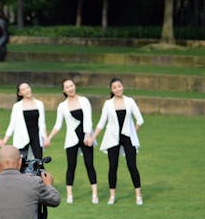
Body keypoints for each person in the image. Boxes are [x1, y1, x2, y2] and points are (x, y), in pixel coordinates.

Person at [86, 77, 144, 205]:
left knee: (132, 166)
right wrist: (92, 138)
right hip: (112, 138)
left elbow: (140, 120)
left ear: (122, 86)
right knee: (113, 167)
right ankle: (112, 196)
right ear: (111, 90)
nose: (118, 89)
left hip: (128, 138)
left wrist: (132, 132)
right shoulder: (108, 104)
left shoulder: (130, 101)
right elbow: (101, 123)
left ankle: (138, 196)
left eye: (119, 86)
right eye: (115, 87)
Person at [46, 78, 98, 204]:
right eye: (67, 87)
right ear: (64, 90)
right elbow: (58, 125)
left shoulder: (84, 101)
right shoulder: (62, 106)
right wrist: (49, 137)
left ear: (75, 86)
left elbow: (88, 119)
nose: (70, 88)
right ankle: (69, 195)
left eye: (71, 85)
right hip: (71, 139)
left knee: (89, 164)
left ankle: (95, 194)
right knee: (71, 166)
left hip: (86, 138)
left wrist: (88, 136)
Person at [1, 81, 48, 160]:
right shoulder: (17, 106)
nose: (27, 90)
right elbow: (12, 124)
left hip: (36, 137)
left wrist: (45, 138)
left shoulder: (39, 104)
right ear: (20, 93)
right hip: (22, 138)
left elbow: (42, 123)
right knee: (22, 165)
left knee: (38, 164)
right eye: (23, 89)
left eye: (27, 88)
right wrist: (4, 140)